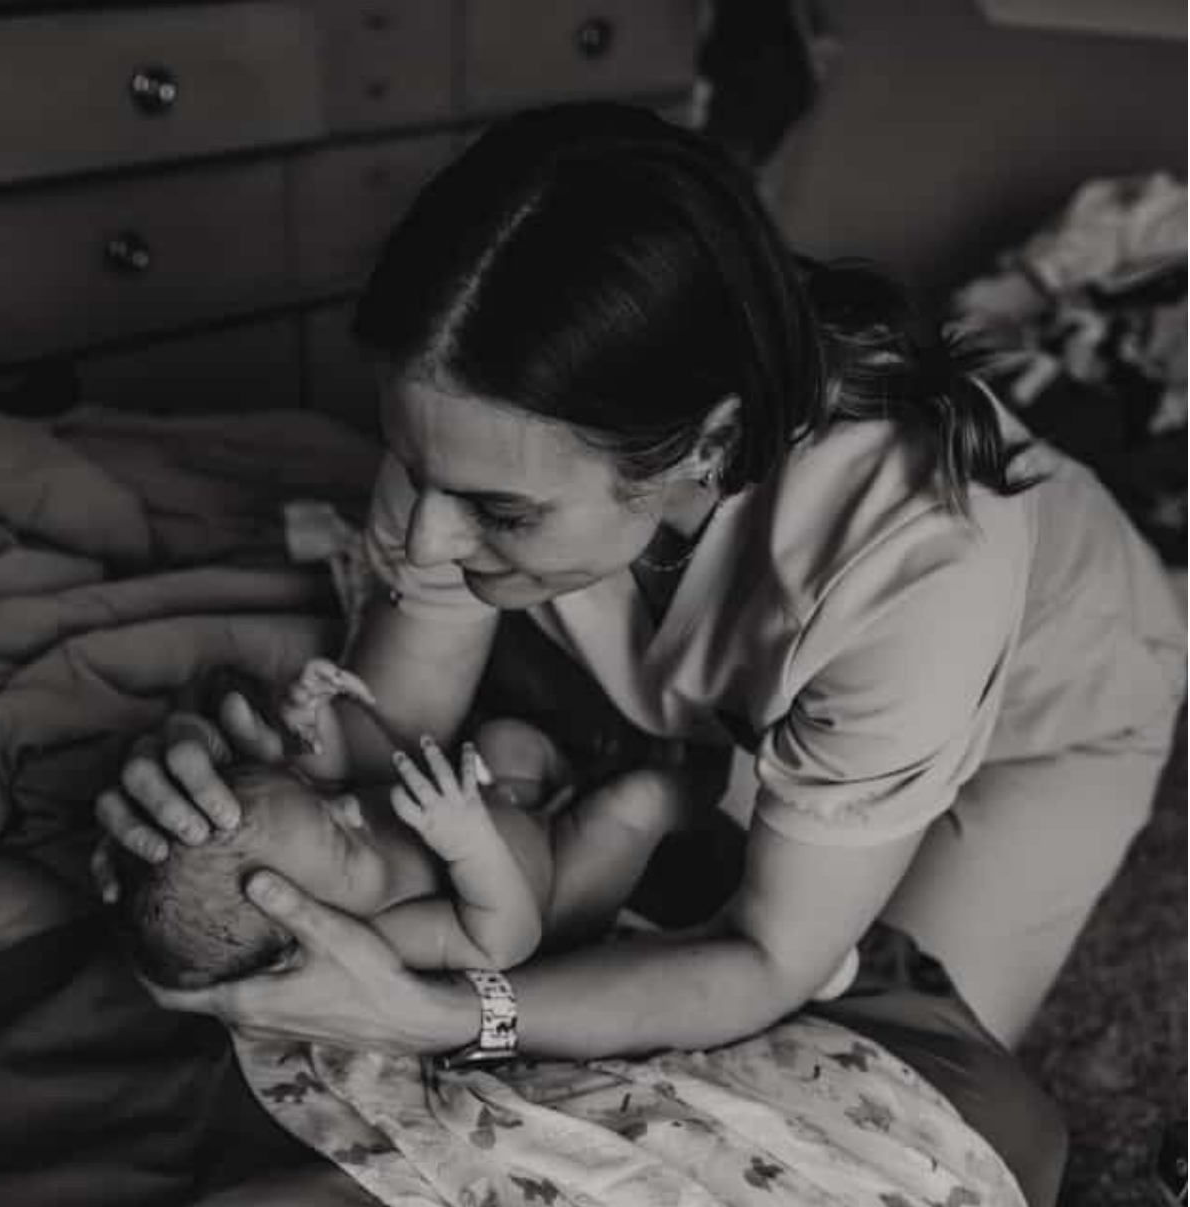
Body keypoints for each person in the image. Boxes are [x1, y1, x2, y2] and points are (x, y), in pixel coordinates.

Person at [93, 103, 1184, 1073]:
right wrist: (241, 807)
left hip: (1052, 720)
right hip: (750, 707)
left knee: (881, 1056)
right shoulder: (473, 421)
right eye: (417, 472)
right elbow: (392, 733)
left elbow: (766, 957)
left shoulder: (915, 562)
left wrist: (446, 1014)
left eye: (499, 512)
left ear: (704, 447)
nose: (427, 534)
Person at [117, 661, 709, 991]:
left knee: (507, 738)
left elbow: (328, 772)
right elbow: (503, 941)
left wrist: (306, 722)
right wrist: (469, 844)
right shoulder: (387, 931)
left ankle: (582, 766)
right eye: (344, 840)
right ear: (314, 929)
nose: (351, 808)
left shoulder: (313, 841)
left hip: (493, 804)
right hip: (554, 885)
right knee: (641, 799)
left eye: (323, 803)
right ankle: (703, 802)